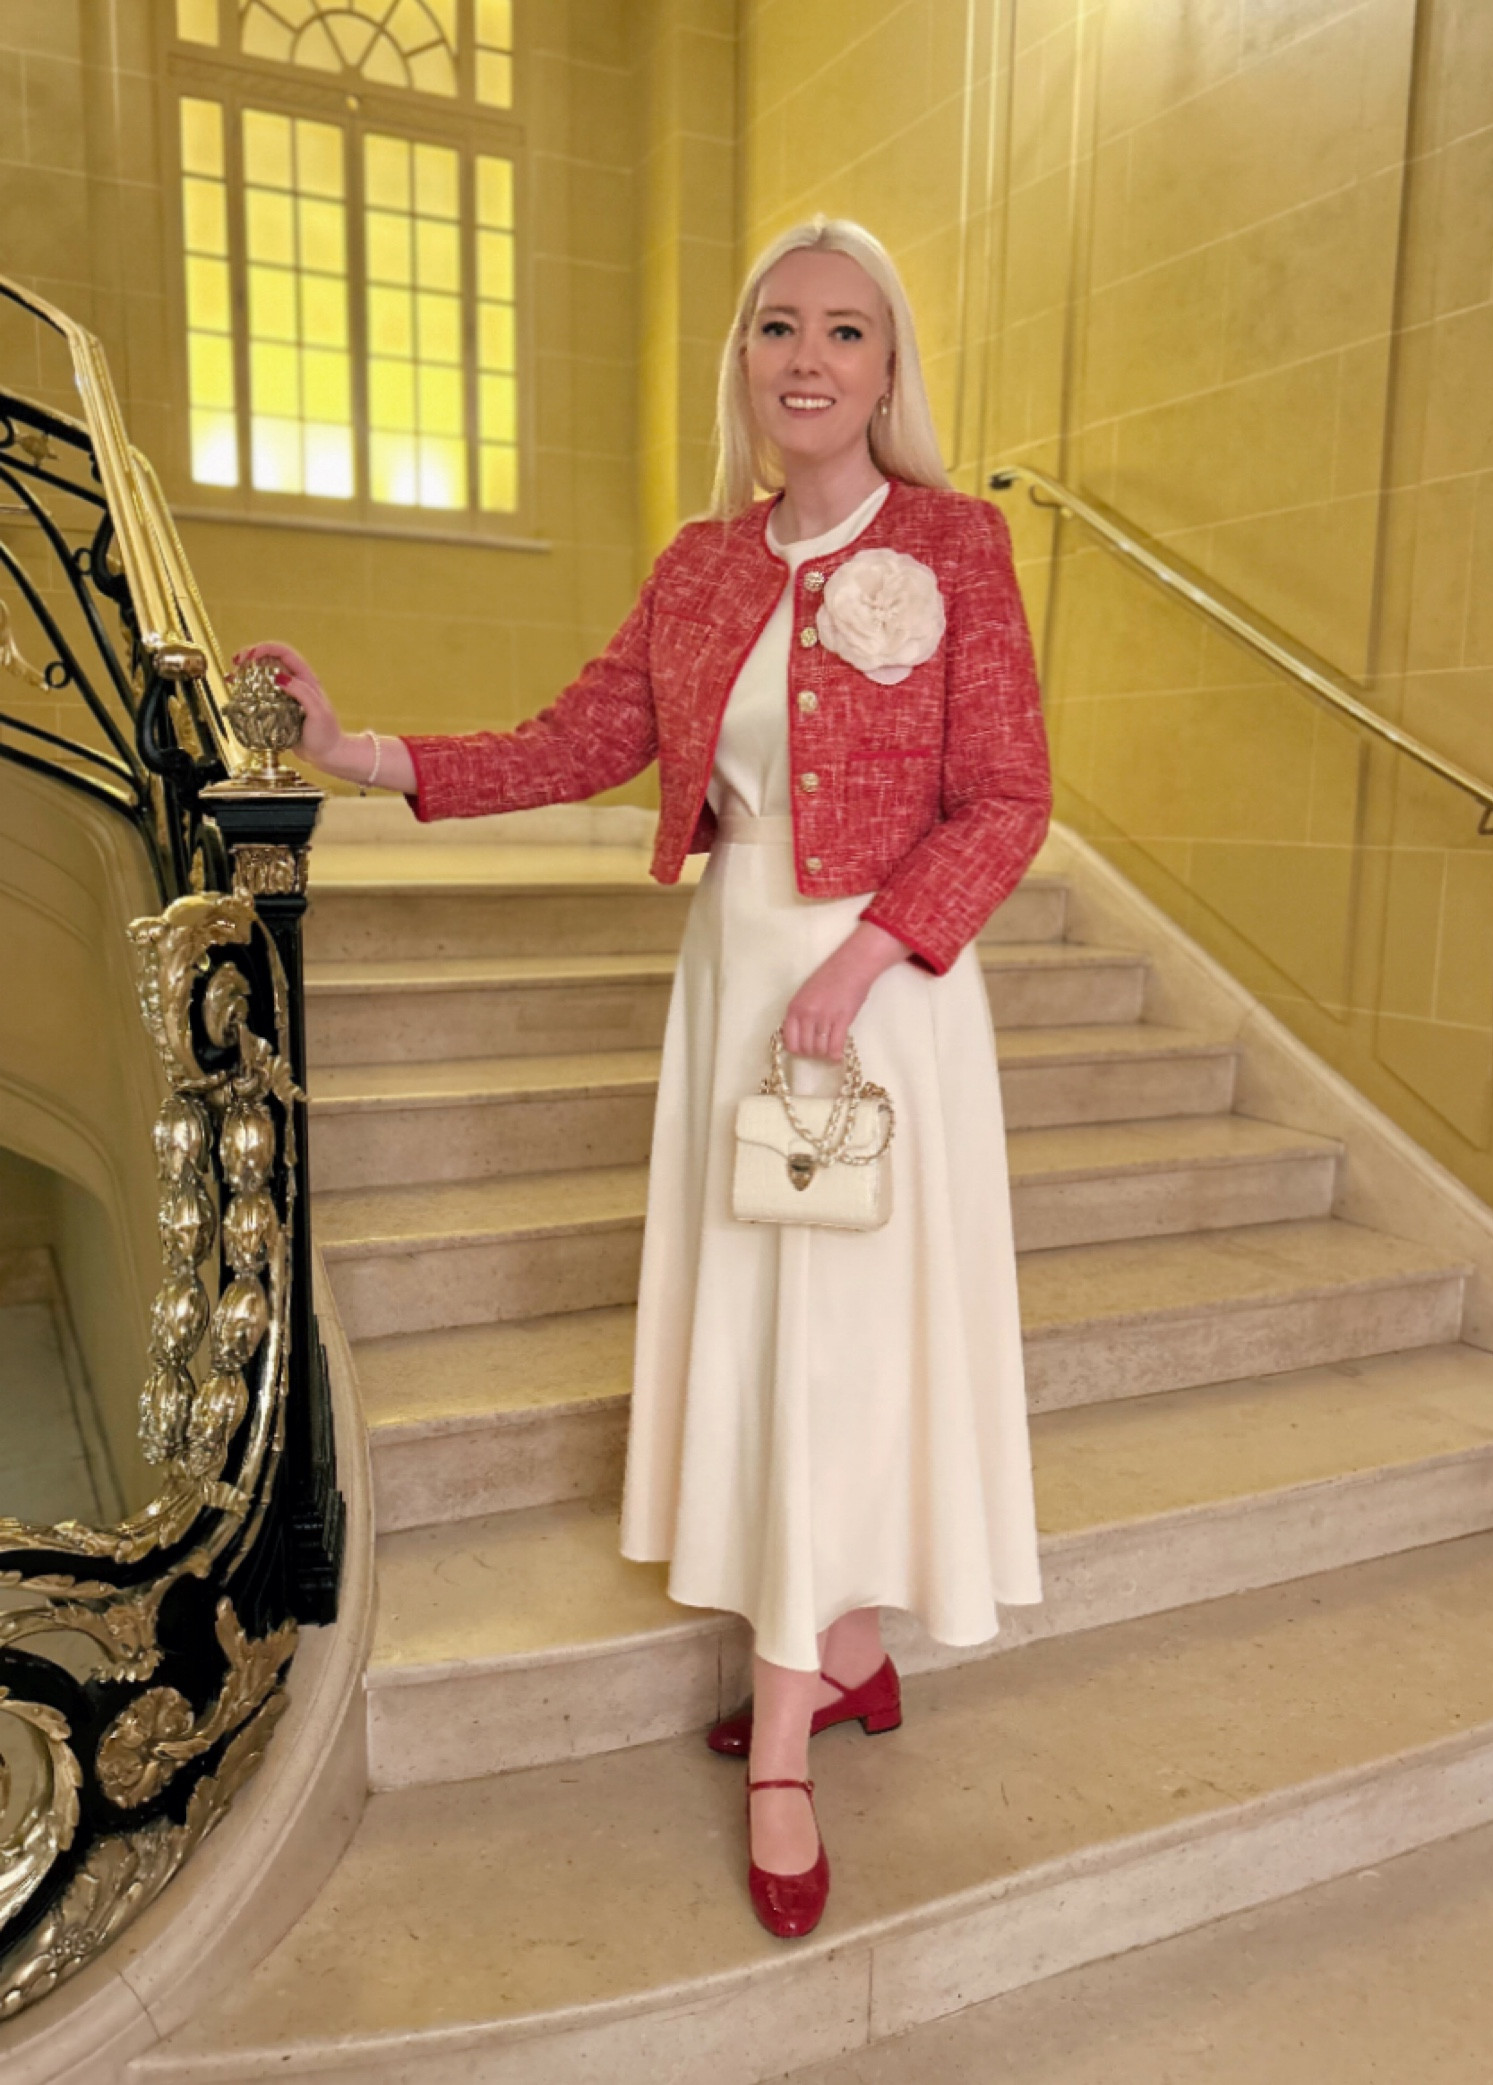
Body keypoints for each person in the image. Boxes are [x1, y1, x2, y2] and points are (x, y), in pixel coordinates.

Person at [236, 216, 1052, 1942]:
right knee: (774, 1332)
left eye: (845, 330)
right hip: (733, 981)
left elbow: (1007, 797)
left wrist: (862, 957)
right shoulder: (699, 565)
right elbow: (576, 737)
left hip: (878, 997)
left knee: (839, 1336)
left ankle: (779, 1741)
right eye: (777, 327)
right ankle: (836, 1652)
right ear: (744, 362)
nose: (808, 358)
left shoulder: (958, 545)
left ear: (888, 370)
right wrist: (355, 750)